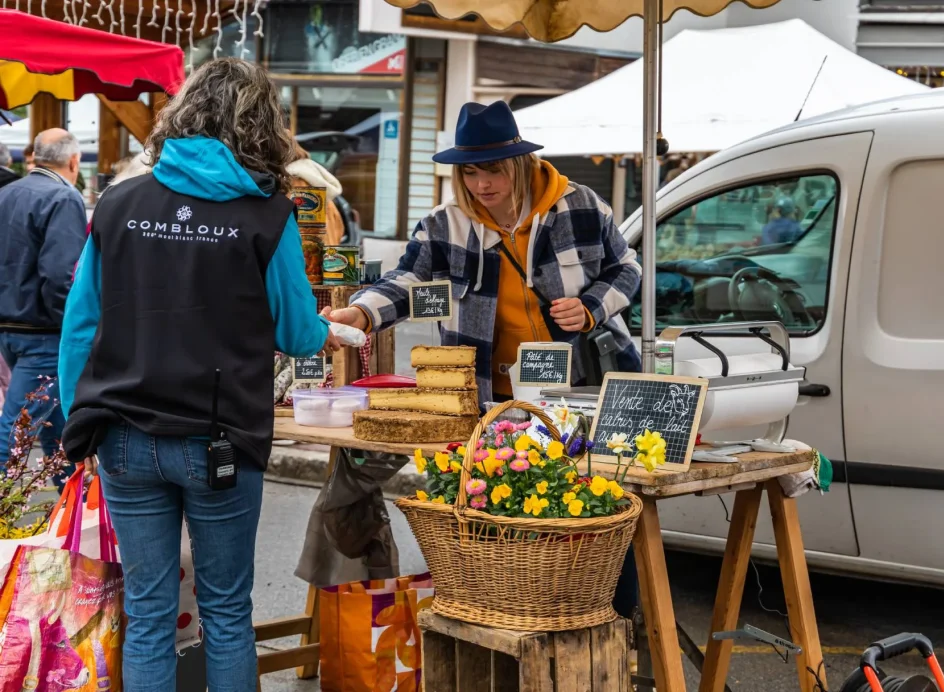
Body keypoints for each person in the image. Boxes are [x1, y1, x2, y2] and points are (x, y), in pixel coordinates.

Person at [57, 58, 341, 692]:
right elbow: (298, 334)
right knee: (225, 614)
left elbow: (81, 326)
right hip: (220, 438)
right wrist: (333, 327)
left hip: (123, 433)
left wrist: (75, 428)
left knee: (150, 616)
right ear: (261, 127)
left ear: (181, 118)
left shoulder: (120, 203)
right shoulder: (269, 215)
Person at [329, 100, 643, 615]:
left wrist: (590, 307)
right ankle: (501, 620)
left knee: (597, 514)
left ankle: (614, 624)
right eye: (469, 172)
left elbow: (626, 267)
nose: (481, 184)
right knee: (488, 520)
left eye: (492, 169)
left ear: (517, 163)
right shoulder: (444, 225)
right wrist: (361, 314)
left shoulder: (580, 205)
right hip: (485, 400)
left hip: (579, 395)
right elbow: (407, 281)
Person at [0, 129, 86, 486]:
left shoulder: (7, 193)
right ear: (73, 161)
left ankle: (73, 506)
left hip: (10, 328)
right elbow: (61, 275)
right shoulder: (64, 198)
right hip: (45, 333)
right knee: (14, 435)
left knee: (59, 427)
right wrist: (76, 328)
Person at [287, 144, 346, 244]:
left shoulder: (299, 184)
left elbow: (307, 239)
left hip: (311, 257)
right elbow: (339, 228)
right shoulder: (313, 183)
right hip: (328, 255)